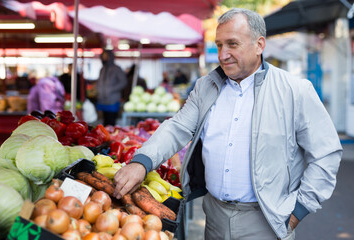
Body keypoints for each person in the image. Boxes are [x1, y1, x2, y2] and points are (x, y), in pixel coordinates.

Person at [113, 8, 342, 240]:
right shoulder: (206, 86)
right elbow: (177, 127)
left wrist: (298, 210)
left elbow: (326, 154)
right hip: (214, 216)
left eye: (233, 44)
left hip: (266, 221)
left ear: (259, 45)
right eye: (220, 45)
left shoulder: (295, 90)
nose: (223, 55)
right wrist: (141, 162)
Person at [96, 49, 127, 126]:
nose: (104, 58)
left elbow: (123, 82)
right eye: (103, 56)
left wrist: (111, 89)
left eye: (106, 56)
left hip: (112, 100)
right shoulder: (102, 69)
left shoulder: (117, 69)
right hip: (102, 100)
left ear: (111, 57)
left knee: (111, 122)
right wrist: (98, 88)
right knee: (104, 122)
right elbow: (100, 81)